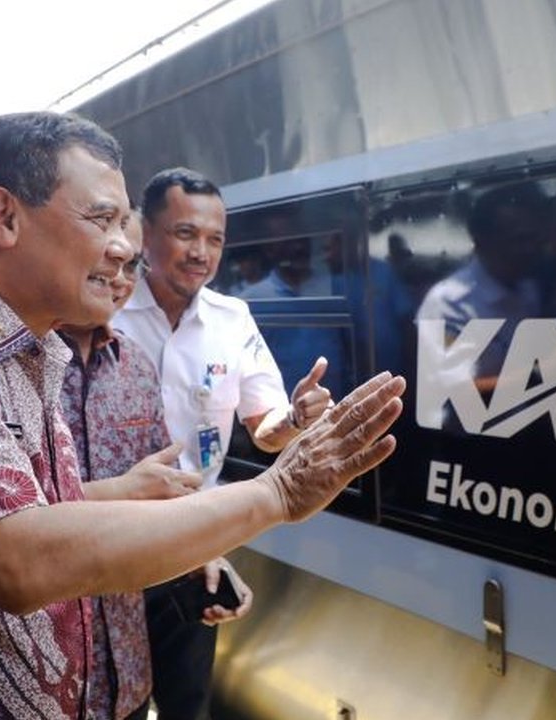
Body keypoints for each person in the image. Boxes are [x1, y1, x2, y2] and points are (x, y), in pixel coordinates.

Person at [0, 112, 404, 719]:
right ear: (4, 215)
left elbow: (56, 519)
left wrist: (191, 545)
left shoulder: (32, 354)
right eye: (104, 219)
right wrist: (276, 493)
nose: (124, 249)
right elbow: (23, 561)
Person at [112, 167, 335, 720]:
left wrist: (296, 419)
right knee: (111, 703)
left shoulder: (231, 319)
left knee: (189, 705)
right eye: (186, 233)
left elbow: (265, 429)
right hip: (102, 544)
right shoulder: (103, 311)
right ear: (145, 232)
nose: (202, 253)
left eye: (215, 240)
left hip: (191, 550)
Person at [58, 211, 252, 720]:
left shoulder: (135, 366)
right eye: (101, 272)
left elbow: (166, 487)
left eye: (127, 269)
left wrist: (201, 550)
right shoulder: (4, 368)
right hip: (51, 671)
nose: (119, 284)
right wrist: (119, 491)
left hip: (126, 666)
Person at [414, 181, 548, 430]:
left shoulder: (530, 289)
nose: (532, 248)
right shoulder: (449, 303)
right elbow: (457, 394)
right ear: (483, 240)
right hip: (472, 446)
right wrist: (541, 373)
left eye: (536, 238)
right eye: (520, 239)